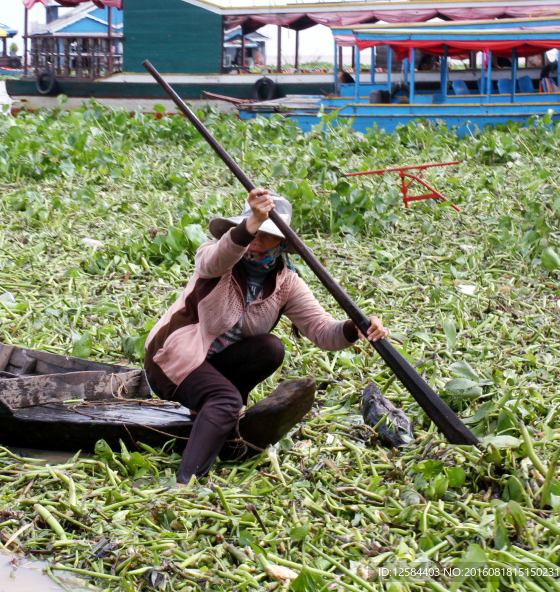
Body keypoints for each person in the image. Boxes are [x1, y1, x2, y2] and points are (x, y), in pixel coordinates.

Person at [143, 189, 388, 486]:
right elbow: (216, 260)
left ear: (282, 243)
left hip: (213, 365)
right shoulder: (220, 257)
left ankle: (210, 418)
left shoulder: (287, 283)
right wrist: (252, 223)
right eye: (253, 230)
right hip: (171, 358)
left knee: (270, 348)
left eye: (267, 233)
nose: (256, 240)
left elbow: (323, 332)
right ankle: (186, 483)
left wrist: (356, 327)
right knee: (225, 400)